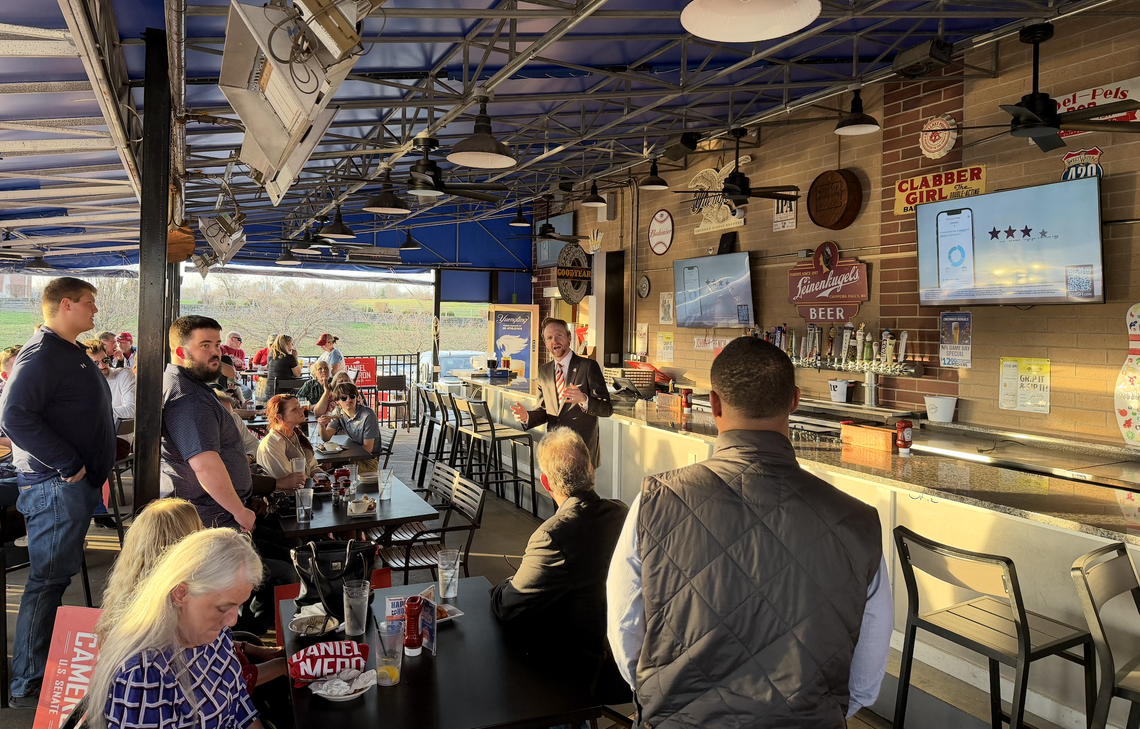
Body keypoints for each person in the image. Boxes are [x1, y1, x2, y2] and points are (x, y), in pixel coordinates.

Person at [606, 338, 892, 729]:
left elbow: (625, 634)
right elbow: (864, 680)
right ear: (794, 401)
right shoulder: (858, 522)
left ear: (715, 404)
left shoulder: (655, 501)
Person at [0, 277, 115, 707]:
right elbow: (14, 415)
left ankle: (37, 671)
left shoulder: (66, 351)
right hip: (55, 485)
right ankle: (28, 682)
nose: (94, 310)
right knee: (47, 581)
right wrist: (68, 462)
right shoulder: (42, 353)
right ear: (65, 304)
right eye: (89, 302)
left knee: (53, 579)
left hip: (67, 486)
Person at [491, 427, 630, 702]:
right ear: (591, 469)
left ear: (545, 482)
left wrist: (503, 586)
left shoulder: (553, 535)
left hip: (583, 672)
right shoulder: (622, 513)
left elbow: (509, 605)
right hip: (627, 663)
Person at [96, 499, 287, 693]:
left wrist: (253, 649)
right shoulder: (172, 623)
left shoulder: (130, 596)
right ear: (183, 549)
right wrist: (281, 666)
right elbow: (219, 686)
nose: (206, 531)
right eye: (199, 528)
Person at [87, 528, 266, 729]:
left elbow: (239, 705)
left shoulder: (212, 633)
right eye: (223, 608)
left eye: (238, 605)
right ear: (180, 593)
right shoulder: (145, 675)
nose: (232, 620)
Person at [160, 315, 257, 532]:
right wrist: (240, 512)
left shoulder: (184, 384)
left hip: (213, 513)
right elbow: (205, 466)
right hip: (211, 520)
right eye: (205, 345)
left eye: (217, 345)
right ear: (181, 352)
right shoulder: (189, 398)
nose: (215, 352)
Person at [510, 318, 612, 468]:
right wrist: (527, 417)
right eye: (549, 338)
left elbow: (606, 408)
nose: (555, 341)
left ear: (569, 337)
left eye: (559, 335)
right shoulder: (544, 371)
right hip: (555, 450)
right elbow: (545, 410)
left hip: (582, 451)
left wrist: (584, 400)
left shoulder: (588, 366)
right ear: (546, 343)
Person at [317, 381, 379, 471]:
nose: (348, 400)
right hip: (350, 456)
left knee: (338, 472)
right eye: (344, 398)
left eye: (352, 396)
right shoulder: (338, 412)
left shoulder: (368, 415)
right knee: (318, 469)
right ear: (337, 402)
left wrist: (340, 455)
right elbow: (326, 438)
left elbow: (367, 448)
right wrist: (322, 426)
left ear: (357, 397)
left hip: (368, 460)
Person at [257, 394, 322, 479]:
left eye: (299, 406)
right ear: (279, 417)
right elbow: (288, 478)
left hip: (307, 485)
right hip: (292, 487)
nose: (301, 409)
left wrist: (323, 477)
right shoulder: (271, 444)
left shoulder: (297, 434)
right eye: (294, 409)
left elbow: (312, 467)